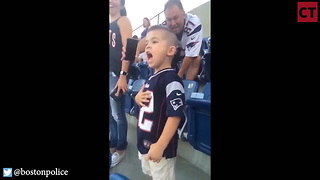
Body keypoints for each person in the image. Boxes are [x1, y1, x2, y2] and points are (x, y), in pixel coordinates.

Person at [133, 25, 185, 180]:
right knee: (152, 174)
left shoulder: (171, 79)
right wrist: (137, 98)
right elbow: (142, 100)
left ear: (170, 51)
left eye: (154, 42)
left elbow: (175, 116)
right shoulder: (150, 78)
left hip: (160, 148)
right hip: (145, 143)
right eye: (147, 42)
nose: (148, 45)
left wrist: (161, 145)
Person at [135, 0, 203, 80]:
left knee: (196, 58)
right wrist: (137, 52)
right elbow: (147, 39)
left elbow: (190, 56)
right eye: (169, 19)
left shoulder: (194, 23)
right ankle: (158, 81)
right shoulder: (164, 26)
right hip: (175, 53)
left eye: (175, 18)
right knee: (161, 54)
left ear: (183, 13)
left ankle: (187, 86)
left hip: (190, 55)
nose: (173, 23)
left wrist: (178, 78)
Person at [109, 0, 132, 168]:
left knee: (118, 114)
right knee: (110, 114)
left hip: (116, 75)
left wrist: (123, 75)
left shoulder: (123, 21)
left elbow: (130, 47)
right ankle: (114, 142)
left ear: (122, 5)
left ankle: (121, 147)